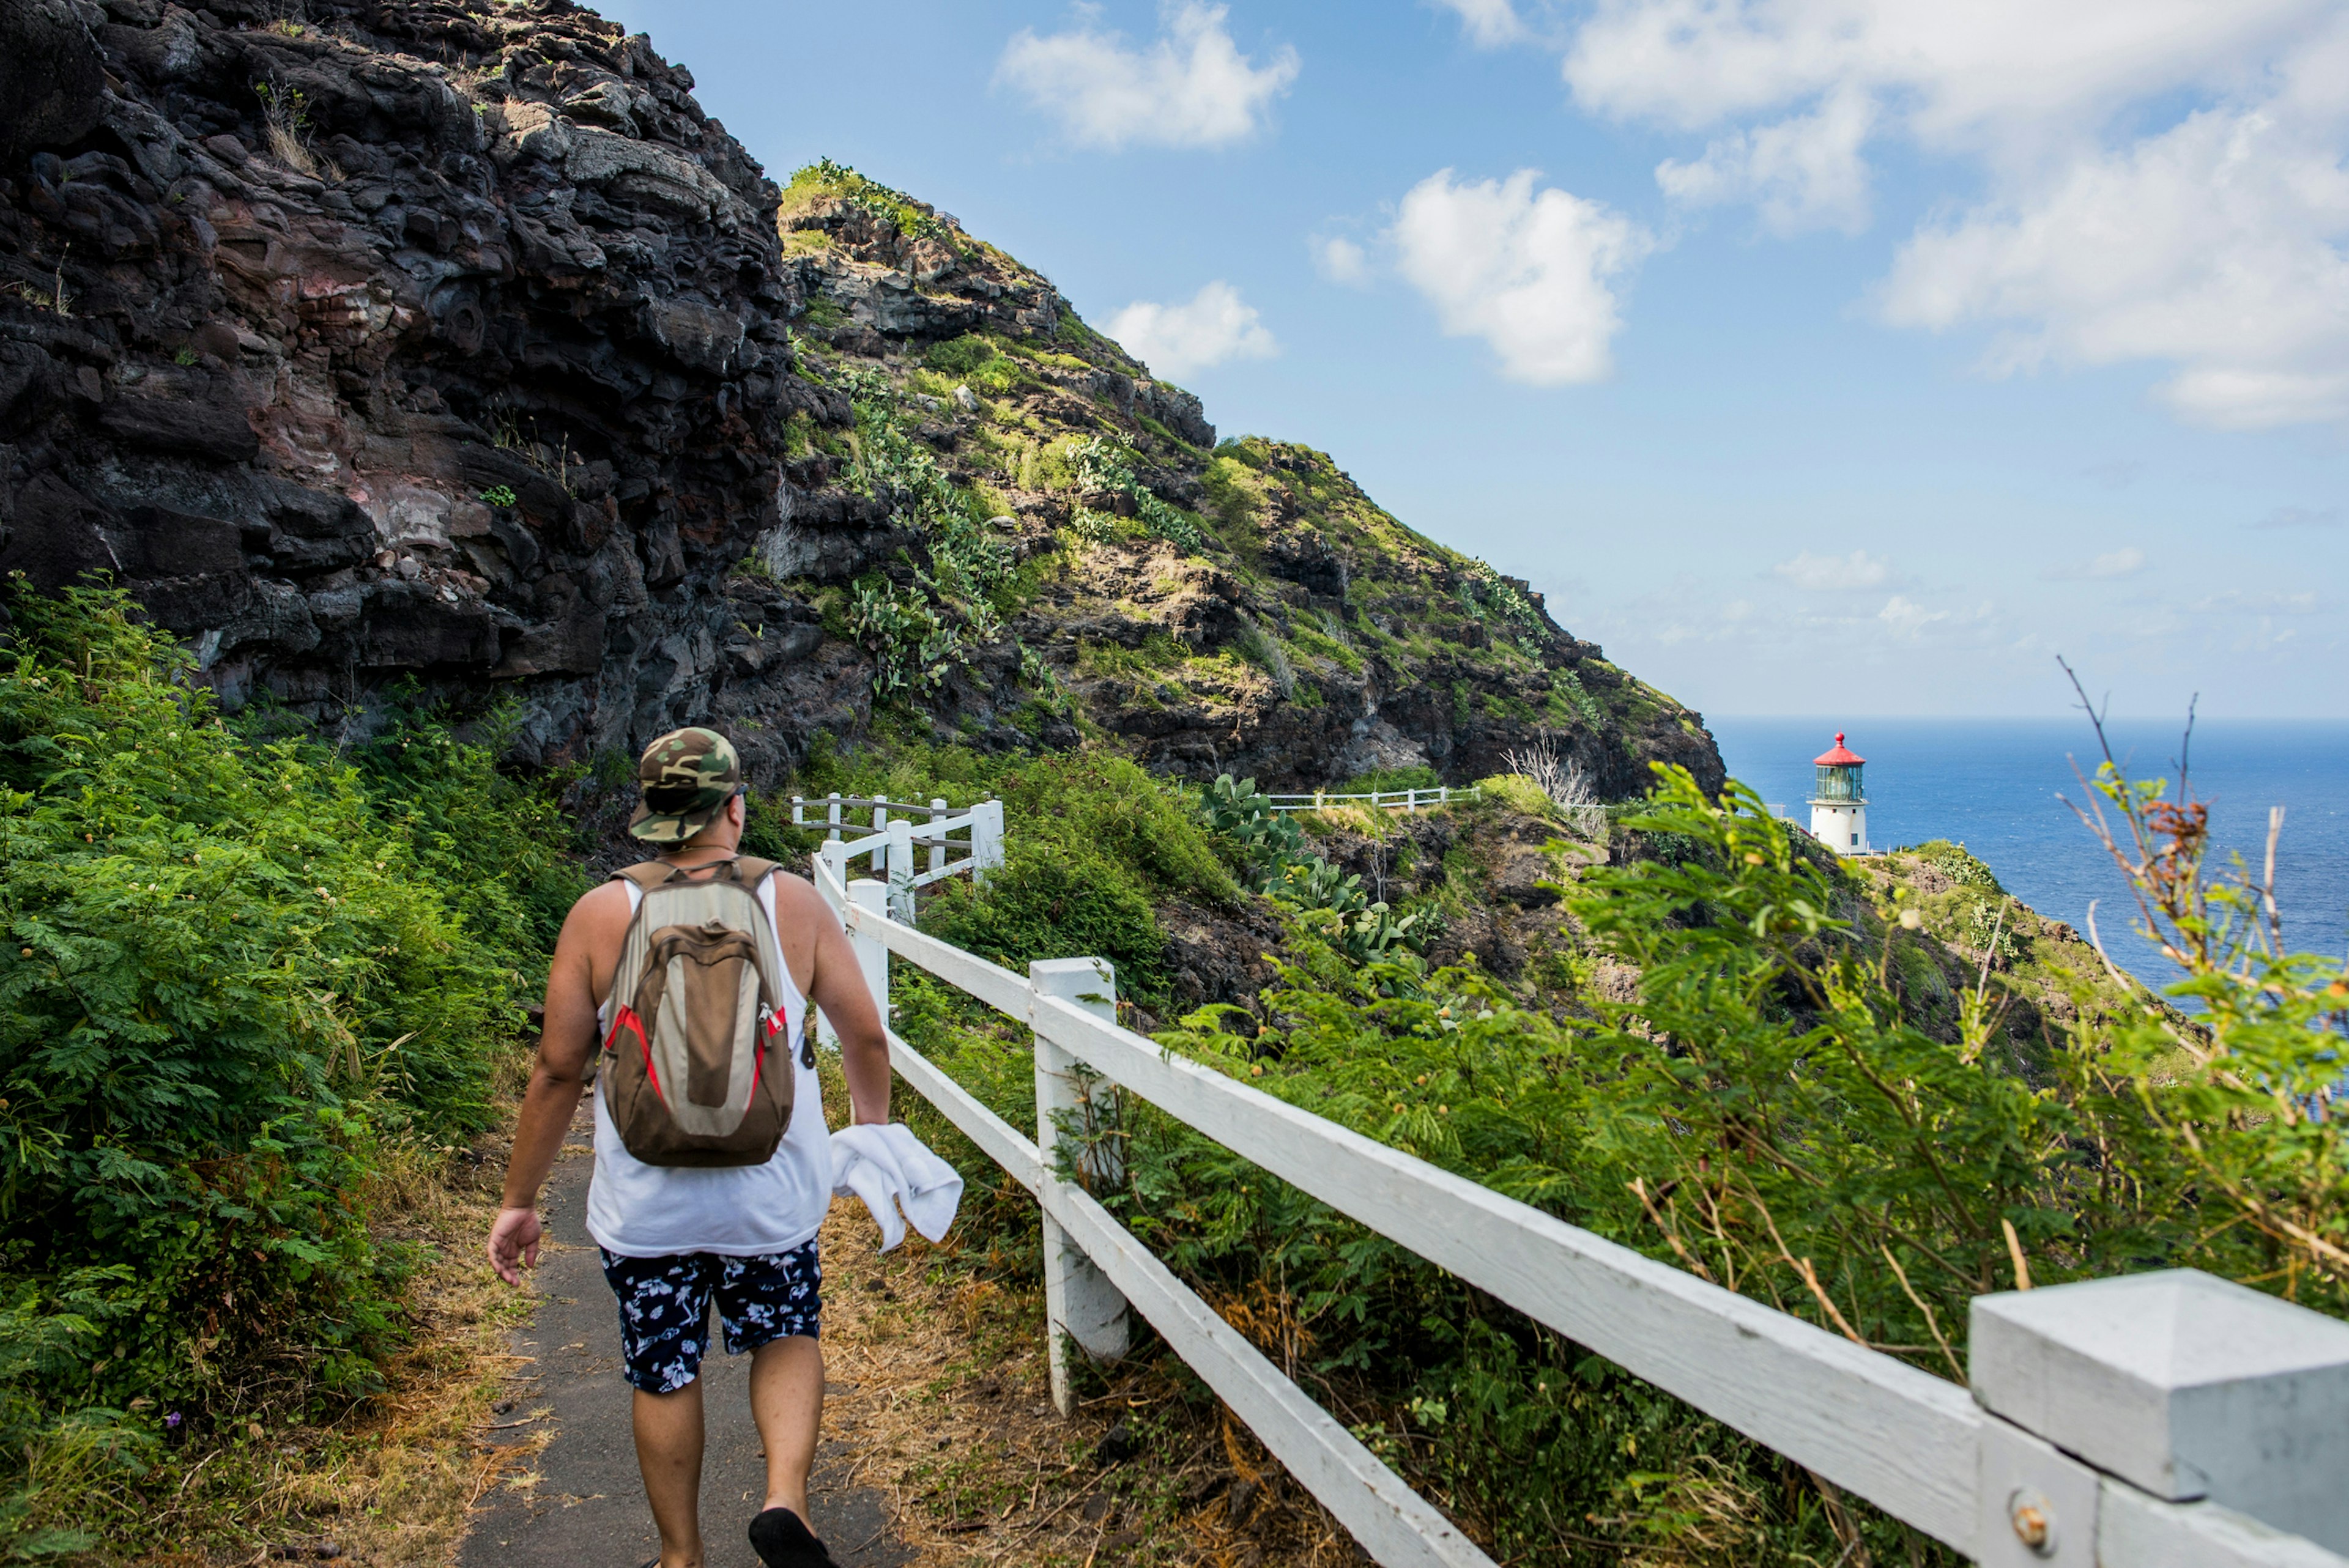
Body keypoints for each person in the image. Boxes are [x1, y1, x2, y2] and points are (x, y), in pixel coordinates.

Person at [488, 728, 891, 1568]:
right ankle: (786, 1501)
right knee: (785, 1332)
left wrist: (520, 1201)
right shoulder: (794, 905)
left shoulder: (602, 914)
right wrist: (874, 1135)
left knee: (664, 1365)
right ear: (734, 809)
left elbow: (560, 1069)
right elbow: (865, 1037)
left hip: (648, 1201)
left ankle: (681, 1556)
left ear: (652, 816)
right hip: (771, 1190)